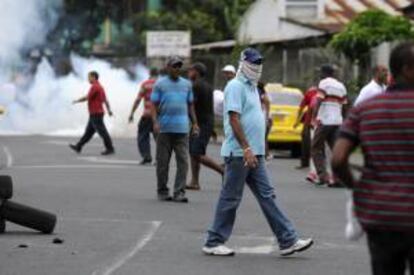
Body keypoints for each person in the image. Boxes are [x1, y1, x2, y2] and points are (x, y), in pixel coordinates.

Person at [202, 48, 313, 256]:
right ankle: (213, 241)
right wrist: (246, 148)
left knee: (267, 196)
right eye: (253, 62)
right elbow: (234, 118)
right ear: (243, 63)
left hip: (256, 153)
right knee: (231, 197)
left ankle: (288, 240)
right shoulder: (235, 86)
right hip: (239, 153)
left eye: (259, 62)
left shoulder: (253, 87)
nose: (256, 66)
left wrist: (256, 150)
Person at [332, 42, 414, 275]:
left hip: (381, 215)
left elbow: (338, 160)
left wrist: (356, 189)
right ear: (408, 69)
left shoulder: (366, 109)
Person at [151, 57, 199, 203]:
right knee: (162, 162)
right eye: (174, 66)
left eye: (179, 66)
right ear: (167, 67)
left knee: (183, 162)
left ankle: (179, 192)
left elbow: (190, 105)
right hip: (164, 129)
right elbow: (154, 105)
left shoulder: (187, 85)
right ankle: (162, 191)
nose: (177, 69)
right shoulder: (159, 84)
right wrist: (155, 122)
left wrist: (195, 124)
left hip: (182, 129)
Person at [186, 63, 224, 191]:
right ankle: (194, 182)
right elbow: (208, 107)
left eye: (190, 70)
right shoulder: (208, 86)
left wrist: (194, 124)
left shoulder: (195, 86)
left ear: (196, 72)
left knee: (197, 153)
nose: (188, 72)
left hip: (200, 123)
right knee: (193, 152)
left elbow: (191, 106)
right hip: (204, 122)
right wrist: (211, 126)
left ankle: (222, 171)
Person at [311, 64, 347, 186]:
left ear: (324, 73)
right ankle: (338, 178)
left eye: (321, 72)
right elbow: (345, 106)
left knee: (316, 148)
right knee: (335, 150)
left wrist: (314, 118)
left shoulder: (323, 83)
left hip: (324, 121)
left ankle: (323, 177)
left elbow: (319, 101)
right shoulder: (341, 86)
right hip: (337, 122)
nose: (319, 75)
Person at [70, 71, 115, 155]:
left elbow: (87, 97)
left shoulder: (95, 87)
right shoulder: (100, 87)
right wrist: (109, 110)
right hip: (96, 114)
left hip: (96, 114)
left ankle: (110, 148)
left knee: (102, 132)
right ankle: (78, 146)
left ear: (94, 77)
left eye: (89, 77)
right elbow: (105, 100)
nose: (88, 79)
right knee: (88, 132)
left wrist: (77, 101)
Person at [128, 67, 158, 165]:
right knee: (160, 139)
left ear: (149, 73)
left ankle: (146, 156)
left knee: (142, 136)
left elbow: (138, 100)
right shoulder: (163, 84)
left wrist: (132, 113)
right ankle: (160, 159)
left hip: (148, 114)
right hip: (160, 116)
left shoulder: (146, 84)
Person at [294, 85, 318, 169]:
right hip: (322, 120)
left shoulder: (310, 92)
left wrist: (297, 121)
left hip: (311, 120)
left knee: (306, 140)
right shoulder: (325, 91)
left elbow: (302, 107)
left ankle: (305, 162)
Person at [257, 81, 272, 160]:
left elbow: (267, 106)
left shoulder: (263, 96)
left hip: (265, 120)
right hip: (263, 119)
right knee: (262, 138)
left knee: (263, 138)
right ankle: (265, 154)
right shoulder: (260, 95)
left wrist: (266, 120)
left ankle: (266, 154)